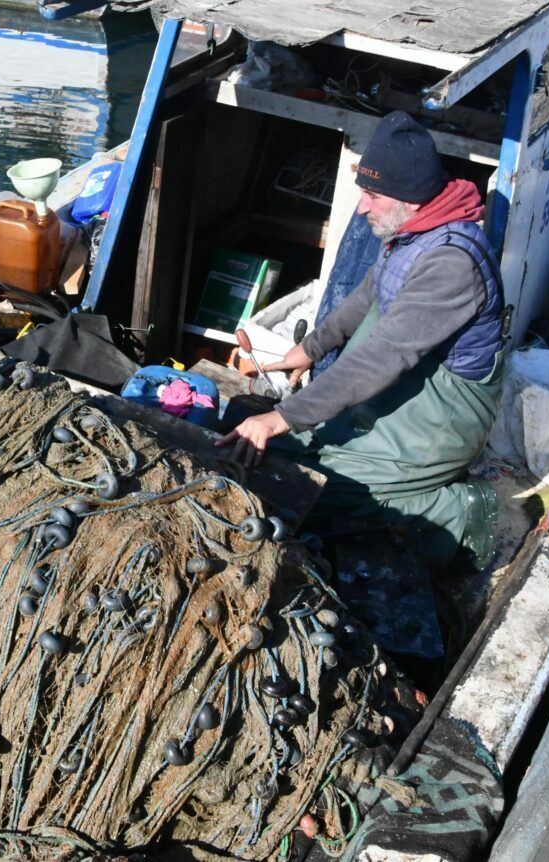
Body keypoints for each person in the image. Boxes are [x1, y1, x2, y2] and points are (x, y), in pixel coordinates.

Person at [216, 110, 507, 567]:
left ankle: (457, 514)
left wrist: (282, 416)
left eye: (372, 196)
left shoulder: (452, 263)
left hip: (441, 420)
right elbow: (371, 291)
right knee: (280, 458)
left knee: (315, 496)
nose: (361, 208)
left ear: (411, 199)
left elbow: (381, 357)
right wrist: (309, 349)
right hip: (404, 392)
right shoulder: (412, 232)